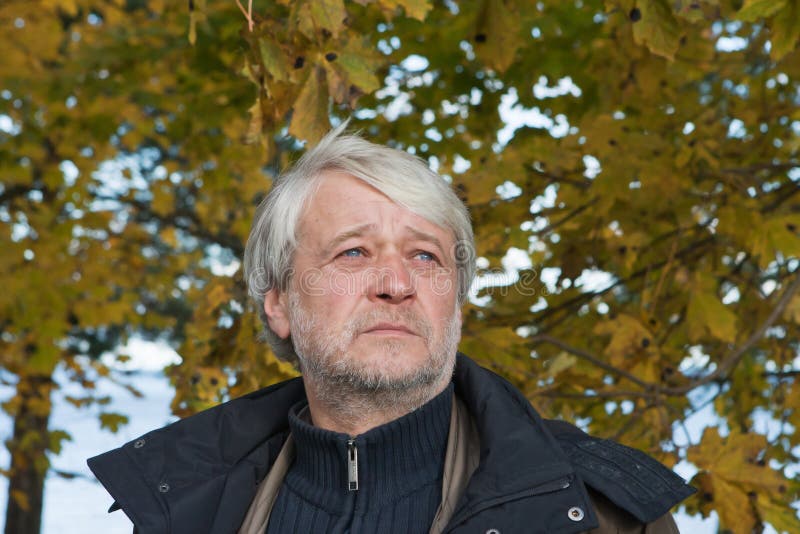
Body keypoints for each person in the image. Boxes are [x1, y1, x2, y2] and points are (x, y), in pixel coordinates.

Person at [88, 124, 694, 533]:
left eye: (426, 257)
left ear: (455, 301)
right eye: (353, 253)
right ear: (277, 301)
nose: (396, 283)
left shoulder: (597, 513)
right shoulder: (187, 505)